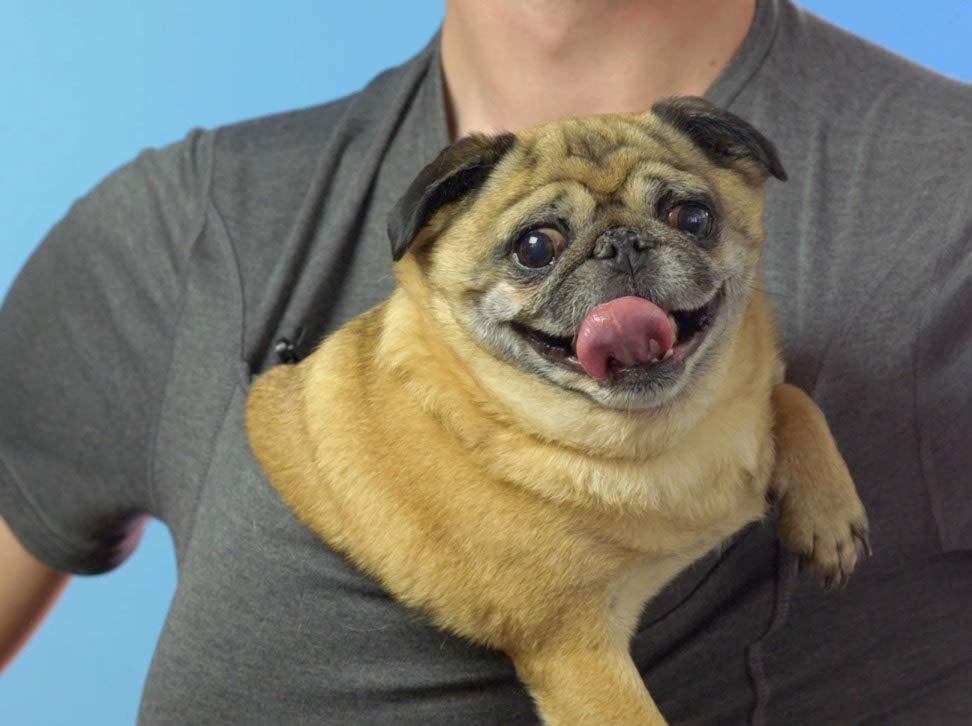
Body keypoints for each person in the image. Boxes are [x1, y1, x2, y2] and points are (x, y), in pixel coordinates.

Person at [1, 0, 969, 723]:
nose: (621, 260)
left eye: (679, 216)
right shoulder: (188, 223)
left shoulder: (945, 192)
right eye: (542, 250)